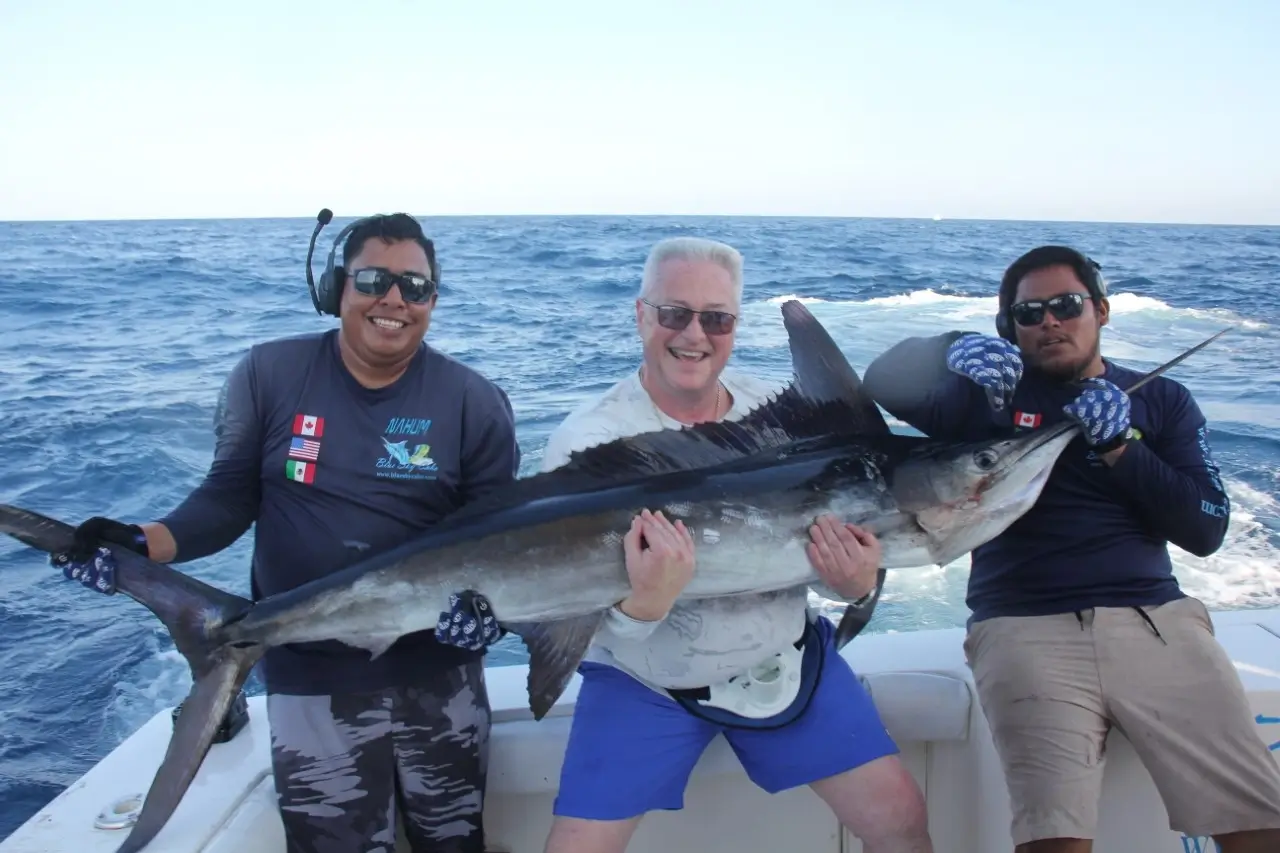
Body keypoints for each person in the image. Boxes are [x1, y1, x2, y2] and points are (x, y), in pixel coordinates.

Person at [442, 236, 934, 853]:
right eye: (673, 313)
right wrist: (642, 606)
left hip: (781, 658)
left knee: (902, 819)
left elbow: (810, 544)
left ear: (735, 325)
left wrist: (859, 585)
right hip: (642, 680)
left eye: (716, 318)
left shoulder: (785, 418)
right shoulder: (589, 440)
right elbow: (580, 611)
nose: (694, 335)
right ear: (640, 313)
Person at [54, 212, 522, 853]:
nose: (393, 299)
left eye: (414, 286)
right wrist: (141, 544)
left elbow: (503, 543)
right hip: (312, 677)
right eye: (375, 279)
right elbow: (225, 499)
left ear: (433, 302)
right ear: (336, 289)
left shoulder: (475, 400)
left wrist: (491, 617)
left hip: (441, 680)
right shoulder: (267, 375)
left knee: (454, 842)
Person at [861, 244, 1280, 853]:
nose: (1049, 321)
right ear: (1012, 329)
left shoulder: (1161, 400)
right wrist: (950, 346)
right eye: (1027, 314)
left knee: (1261, 825)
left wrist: (1123, 448)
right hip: (1025, 626)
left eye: (1066, 305)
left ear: (1102, 311)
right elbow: (879, 380)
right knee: (1055, 840)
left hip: (1156, 623)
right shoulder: (984, 397)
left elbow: (1206, 530)